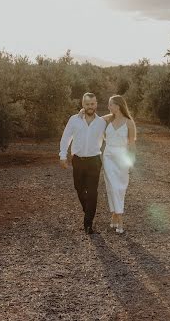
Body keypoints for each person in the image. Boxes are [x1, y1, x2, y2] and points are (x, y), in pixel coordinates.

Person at [80, 94, 136, 234]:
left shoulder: (129, 122)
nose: (108, 107)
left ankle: (114, 215)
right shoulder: (107, 119)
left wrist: (132, 162)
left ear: (118, 105)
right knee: (112, 185)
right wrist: (81, 111)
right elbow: (93, 118)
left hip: (122, 158)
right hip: (109, 156)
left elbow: (132, 145)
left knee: (120, 188)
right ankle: (120, 219)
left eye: (111, 104)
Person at [59, 93, 106, 234]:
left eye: (92, 104)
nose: (90, 107)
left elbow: (110, 138)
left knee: (92, 192)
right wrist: (62, 155)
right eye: (87, 104)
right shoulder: (74, 120)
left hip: (94, 161)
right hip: (78, 160)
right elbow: (66, 137)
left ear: (96, 104)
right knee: (79, 188)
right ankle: (88, 209)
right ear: (83, 105)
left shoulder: (102, 122)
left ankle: (88, 224)